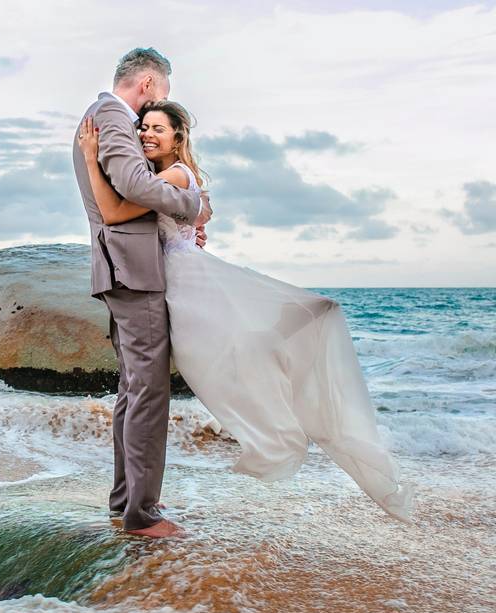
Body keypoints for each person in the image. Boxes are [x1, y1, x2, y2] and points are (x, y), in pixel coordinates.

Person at [77, 99, 415, 524]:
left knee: (229, 350)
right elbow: (189, 210)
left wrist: (92, 160)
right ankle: (143, 496)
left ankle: (279, 408)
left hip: (186, 281)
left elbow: (116, 210)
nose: (146, 134)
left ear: (178, 138)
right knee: (216, 357)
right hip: (175, 281)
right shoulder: (171, 176)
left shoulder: (173, 175)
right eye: (143, 127)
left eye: (157, 129)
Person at [72, 48, 212, 538]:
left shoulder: (101, 117)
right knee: (149, 392)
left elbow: (127, 190)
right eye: (163, 95)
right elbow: (132, 184)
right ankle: (142, 515)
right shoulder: (110, 114)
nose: (147, 125)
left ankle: (124, 501)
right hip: (134, 270)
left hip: (125, 267)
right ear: (149, 84)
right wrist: (192, 204)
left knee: (133, 390)